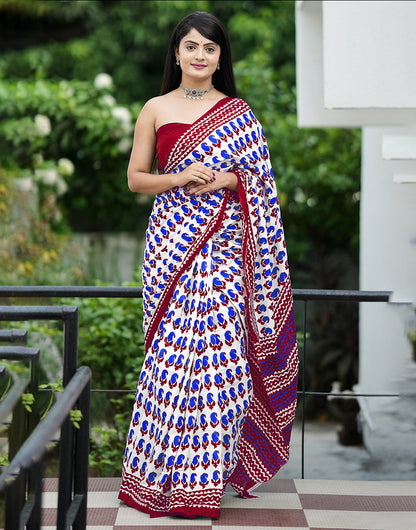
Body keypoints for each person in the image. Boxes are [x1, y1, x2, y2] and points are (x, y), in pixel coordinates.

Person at [118, 11, 298, 519]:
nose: (200, 56)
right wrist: (179, 178)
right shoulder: (154, 108)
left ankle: (204, 483)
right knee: (171, 366)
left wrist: (223, 180)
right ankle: (155, 482)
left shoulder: (238, 112)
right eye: (191, 46)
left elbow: (257, 181)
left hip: (224, 252)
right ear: (176, 52)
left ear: (221, 58)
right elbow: (135, 179)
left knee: (222, 366)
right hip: (172, 249)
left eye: (210, 48)